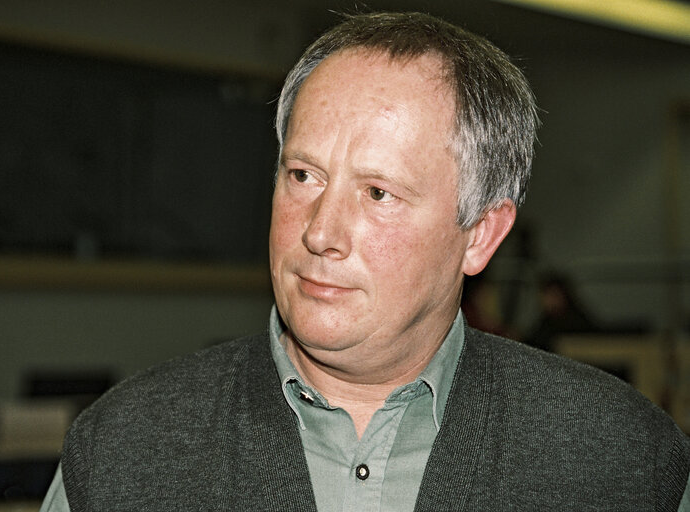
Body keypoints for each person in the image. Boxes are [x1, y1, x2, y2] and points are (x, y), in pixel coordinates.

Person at [41, 12, 690, 511]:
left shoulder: (622, 460)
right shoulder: (122, 451)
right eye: (302, 176)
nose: (320, 231)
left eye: (378, 193)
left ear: (481, 235)